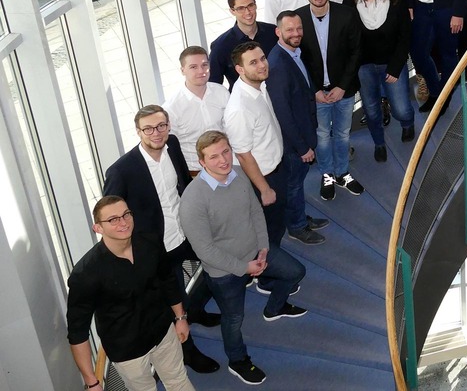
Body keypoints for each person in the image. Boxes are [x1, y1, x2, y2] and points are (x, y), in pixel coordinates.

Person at [180, 131, 307, 386]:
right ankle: (237, 361)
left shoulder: (237, 173)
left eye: (226, 151)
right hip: (223, 273)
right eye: (214, 156)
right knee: (234, 318)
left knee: (295, 272)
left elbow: (255, 211)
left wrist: (262, 248)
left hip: (256, 252)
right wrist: (244, 267)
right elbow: (205, 251)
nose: (223, 160)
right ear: (202, 162)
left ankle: (275, 308)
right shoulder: (193, 199)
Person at [101, 105, 220, 375]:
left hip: (185, 232)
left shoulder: (173, 144)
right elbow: (111, 213)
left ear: (168, 126)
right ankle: (188, 352)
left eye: (162, 126)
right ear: (138, 131)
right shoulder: (122, 170)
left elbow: (182, 185)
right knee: (173, 297)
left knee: (211, 270)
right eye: (149, 128)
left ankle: (196, 309)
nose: (157, 133)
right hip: (157, 248)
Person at [67, 196, 196, 391]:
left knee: (178, 380)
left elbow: (167, 280)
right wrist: (91, 382)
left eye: (126, 214)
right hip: (127, 351)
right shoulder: (85, 274)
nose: (123, 222)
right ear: (98, 228)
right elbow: (78, 332)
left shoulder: (150, 241)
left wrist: (180, 317)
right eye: (113, 219)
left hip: (163, 331)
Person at [296, 0, 365, 200]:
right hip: (317, 94)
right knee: (323, 136)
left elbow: (356, 53)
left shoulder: (347, 14)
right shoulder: (298, 20)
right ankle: (327, 174)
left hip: (343, 90)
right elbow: (299, 60)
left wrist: (343, 86)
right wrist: (314, 90)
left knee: (344, 134)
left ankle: (343, 172)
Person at [265, 11, 331, 245]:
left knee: (298, 183)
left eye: (299, 28)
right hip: (294, 144)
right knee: (293, 186)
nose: (296, 33)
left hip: (303, 135)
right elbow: (283, 113)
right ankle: (296, 227)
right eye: (290, 30)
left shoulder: (293, 53)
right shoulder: (278, 65)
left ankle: (300, 217)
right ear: (278, 32)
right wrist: (303, 148)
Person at [345, 0, 418, 161]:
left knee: (401, 108)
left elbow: (405, 37)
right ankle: (379, 142)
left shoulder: (396, 0)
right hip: (364, 66)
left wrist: (395, 68)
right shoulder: (350, 1)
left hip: (392, 63)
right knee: (371, 110)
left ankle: (407, 123)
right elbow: (348, 38)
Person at [223, 42, 287, 249]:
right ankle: (267, 279)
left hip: (275, 168)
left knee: (277, 224)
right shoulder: (239, 108)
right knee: (267, 232)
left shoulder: (258, 86)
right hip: (262, 178)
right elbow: (243, 155)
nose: (262, 65)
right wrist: (265, 189)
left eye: (262, 58)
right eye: (253, 62)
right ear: (239, 69)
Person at [162, 46, 230, 174]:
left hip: (227, 165)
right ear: (182, 70)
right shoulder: (172, 108)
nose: (201, 71)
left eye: (204, 65)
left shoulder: (221, 92)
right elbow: (171, 147)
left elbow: (231, 128)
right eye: (193, 67)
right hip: (196, 172)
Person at [208, 0, 278, 89]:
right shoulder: (220, 46)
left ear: (255, 5)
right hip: (245, 101)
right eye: (241, 8)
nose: (248, 12)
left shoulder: (273, 32)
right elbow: (214, 84)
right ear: (232, 11)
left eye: (250, 6)